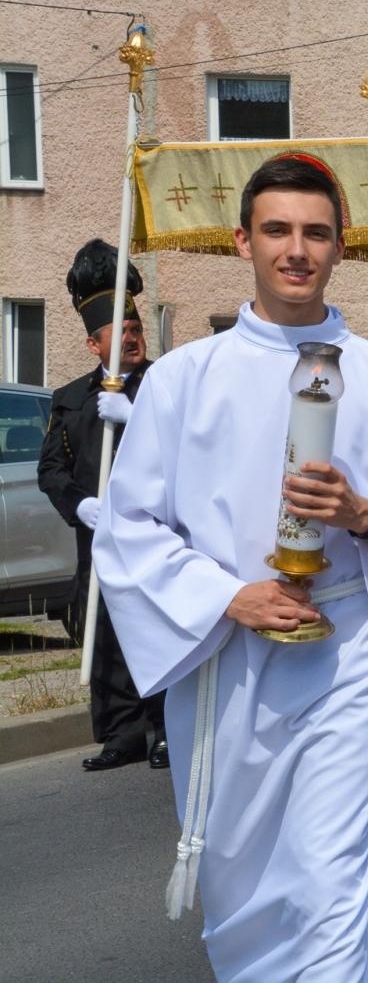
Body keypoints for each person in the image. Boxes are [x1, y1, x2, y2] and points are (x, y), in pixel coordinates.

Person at [93, 154, 368, 979]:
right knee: (241, 872)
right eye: (278, 231)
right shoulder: (186, 377)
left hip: (347, 648)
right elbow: (130, 530)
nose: (297, 250)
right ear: (243, 242)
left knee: (328, 874)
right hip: (225, 656)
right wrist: (229, 596)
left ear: (341, 249)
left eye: (316, 233)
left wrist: (366, 516)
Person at [37, 239, 167, 771]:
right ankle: (121, 731)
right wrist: (79, 505)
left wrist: (137, 412)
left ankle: (162, 727)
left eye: (137, 330)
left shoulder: (164, 384)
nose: (133, 338)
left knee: (155, 629)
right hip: (98, 536)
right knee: (105, 630)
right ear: (95, 345)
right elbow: (50, 469)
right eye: (122, 332)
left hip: (156, 533)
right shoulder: (70, 399)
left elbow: (188, 448)